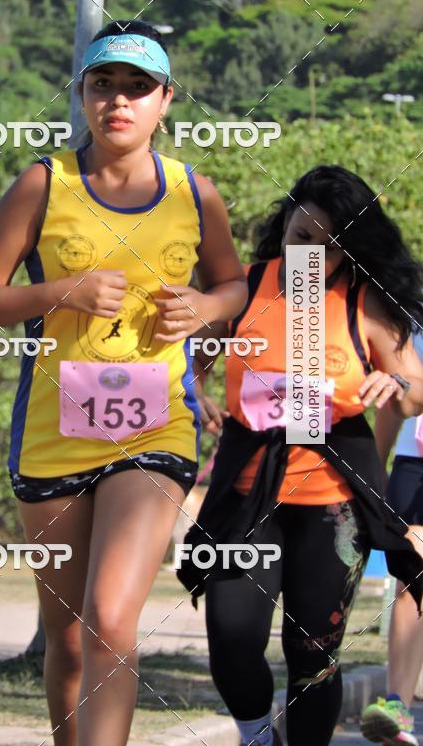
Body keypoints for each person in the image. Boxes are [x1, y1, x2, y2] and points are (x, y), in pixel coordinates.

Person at [0, 20, 247, 746]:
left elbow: (234, 284)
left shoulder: (194, 192)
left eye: (137, 87)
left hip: (156, 428)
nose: (119, 101)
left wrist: (209, 308)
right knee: (68, 639)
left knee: (112, 617)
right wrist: (61, 292)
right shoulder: (41, 182)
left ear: (165, 100)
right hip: (54, 434)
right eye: (103, 85)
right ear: (83, 95)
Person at [178, 165, 423, 746]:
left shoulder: (364, 300)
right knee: (232, 636)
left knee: (313, 652)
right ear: (282, 227)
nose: (313, 253)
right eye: (303, 237)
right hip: (248, 492)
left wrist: (397, 388)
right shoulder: (245, 287)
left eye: (331, 244)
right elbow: (190, 366)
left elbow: (413, 389)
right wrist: (198, 399)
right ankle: (257, 733)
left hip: (331, 503)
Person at [361, 329, 423, 746]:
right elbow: (394, 400)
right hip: (415, 459)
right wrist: (373, 470)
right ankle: (396, 708)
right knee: (412, 578)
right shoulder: (414, 328)